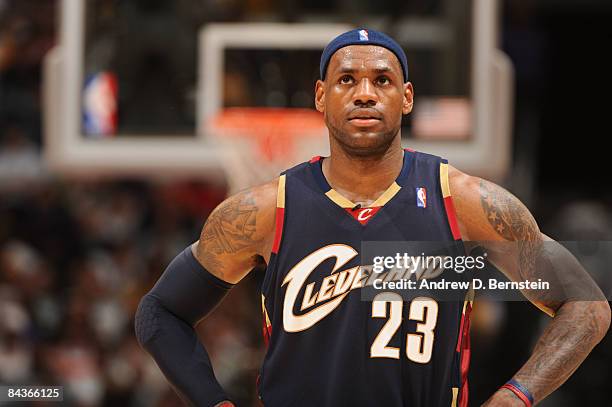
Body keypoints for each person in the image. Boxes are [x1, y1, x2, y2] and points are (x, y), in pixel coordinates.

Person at [134, 29, 610, 407]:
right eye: (347, 80)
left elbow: (587, 307)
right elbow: (159, 313)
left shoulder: (464, 202)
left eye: (381, 80)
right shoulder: (264, 210)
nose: (364, 93)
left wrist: (515, 396)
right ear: (321, 97)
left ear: (406, 97)